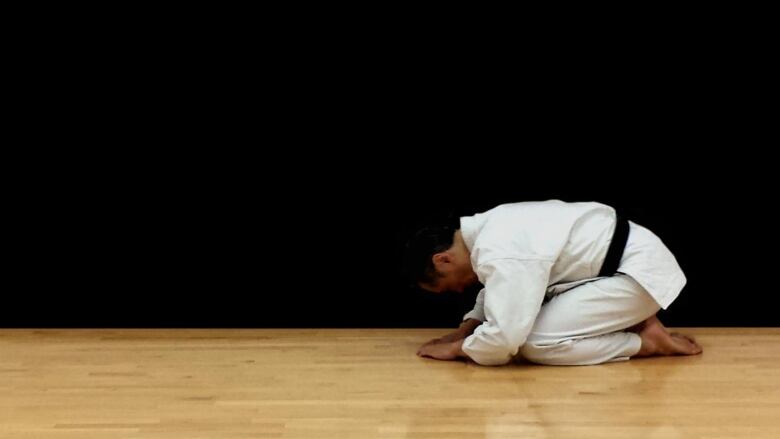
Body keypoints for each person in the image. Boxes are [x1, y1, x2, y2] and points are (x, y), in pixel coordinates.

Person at [403, 200, 702, 366]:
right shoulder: (492, 229)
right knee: (527, 328)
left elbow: (505, 340)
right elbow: (499, 291)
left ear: (442, 260)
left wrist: (457, 350)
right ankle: (631, 320)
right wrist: (463, 331)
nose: (456, 291)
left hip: (636, 276)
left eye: (446, 286)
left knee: (535, 343)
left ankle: (645, 343)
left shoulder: (500, 248)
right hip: (627, 267)